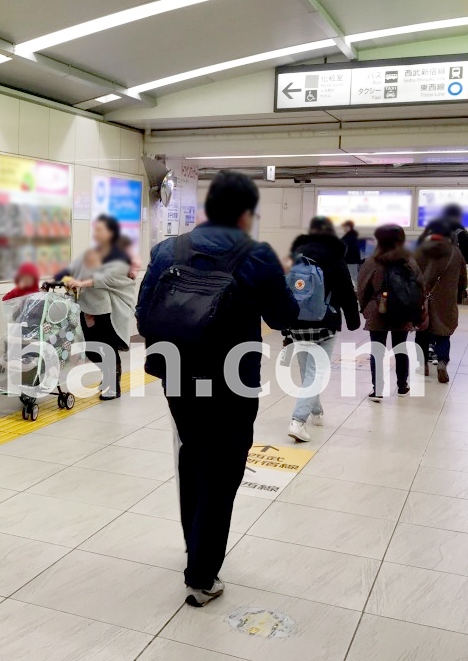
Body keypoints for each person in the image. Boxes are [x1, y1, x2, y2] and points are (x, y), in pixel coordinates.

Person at [136, 171, 298, 608]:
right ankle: (202, 576)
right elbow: (286, 316)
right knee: (223, 468)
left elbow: (142, 315)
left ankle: (195, 545)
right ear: (246, 213)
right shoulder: (257, 255)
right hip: (231, 380)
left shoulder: (169, 248)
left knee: (193, 453)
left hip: (177, 374)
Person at [285, 216, 360, 443]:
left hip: (297, 324)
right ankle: (298, 421)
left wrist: (284, 326)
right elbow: (347, 293)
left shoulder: (295, 258)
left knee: (308, 370)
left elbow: (284, 291)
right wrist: (353, 321)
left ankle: (316, 412)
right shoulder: (335, 260)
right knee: (315, 374)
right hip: (325, 323)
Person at [61, 214, 134, 400]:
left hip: (107, 310)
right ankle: (108, 376)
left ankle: (113, 385)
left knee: (107, 348)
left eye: (100, 229)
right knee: (91, 349)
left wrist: (80, 282)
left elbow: (110, 278)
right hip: (88, 308)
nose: (96, 233)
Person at [358, 224, 424, 400]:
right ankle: (402, 386)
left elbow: (362, 288)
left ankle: (377, 389)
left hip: (378, 311)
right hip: (402, 313)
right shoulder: (410, 262)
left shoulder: (372, 262)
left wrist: (365, 307)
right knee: (401, 348)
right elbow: (419, 289)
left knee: (377, 350)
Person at [414, 220, 467, 384]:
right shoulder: (456, 253)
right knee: (443, 334)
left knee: (422, 332)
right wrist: (460, 291)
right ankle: (442, 363)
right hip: (446, 299)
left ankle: (423, 365)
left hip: (423, 297)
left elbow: (413, 272)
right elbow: (463, 277)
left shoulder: (421, 250)